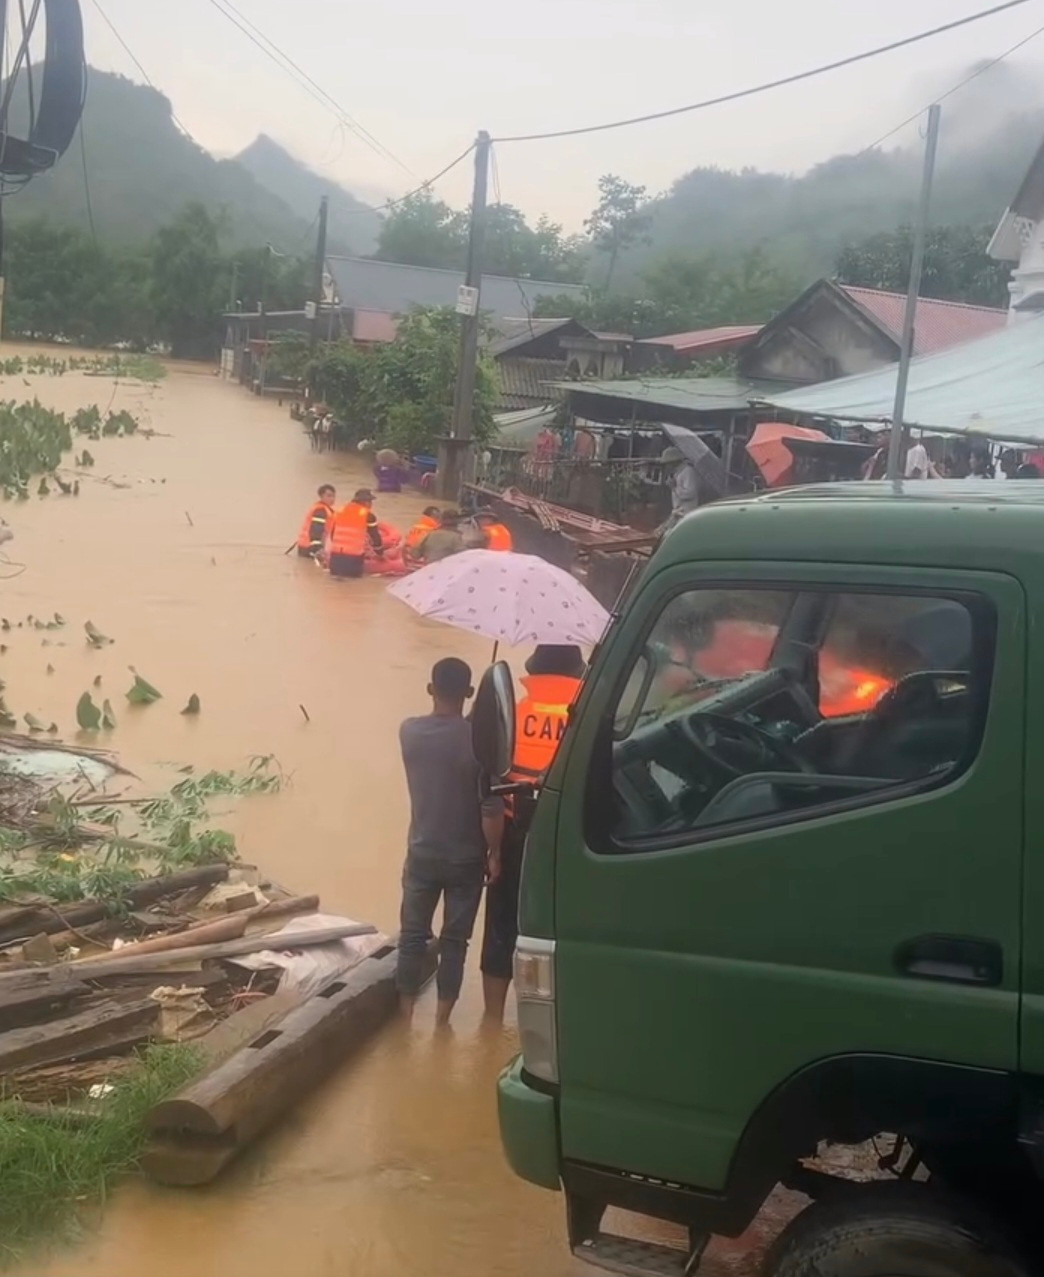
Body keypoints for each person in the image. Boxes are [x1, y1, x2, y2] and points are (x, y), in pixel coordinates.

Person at [481, 644, 585, 1022]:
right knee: (552, 933)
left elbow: (488, 780)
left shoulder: (514, 714)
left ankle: (491, 1021)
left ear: (533, 671)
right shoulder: (584, 723)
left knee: (500, 927)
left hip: (511, 833)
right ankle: (539, 1021)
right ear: (578, 673)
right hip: (565, 843)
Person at [397, 658, 504, 1026]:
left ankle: (406, 1018)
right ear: (470, 692)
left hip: (422, 853)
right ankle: (441, 1024)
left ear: (430, 689)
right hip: (465, 859)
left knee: (412, 937)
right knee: (455, 942)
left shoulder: (408, 732)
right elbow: (491, 809)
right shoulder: (480, 744)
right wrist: (495, 854)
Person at [325, 488, 382, 578]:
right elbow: (375, 537)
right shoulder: (368, 515)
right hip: (353, 559)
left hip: (335, 558)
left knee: (336, 586)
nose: (371, 504)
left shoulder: (339, 511)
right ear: (365, 502)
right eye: (370, 501)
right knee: (354, 587)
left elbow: (332, 535)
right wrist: (380, 553)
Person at [296, 484, 336, 557]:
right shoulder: (320, 510)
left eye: (333, 496)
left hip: (305, 545)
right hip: (310, 547)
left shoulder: (323, 508)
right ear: (321, 496)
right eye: (329, 496)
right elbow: (316, 529)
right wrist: (317, 547)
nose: (332, 499)